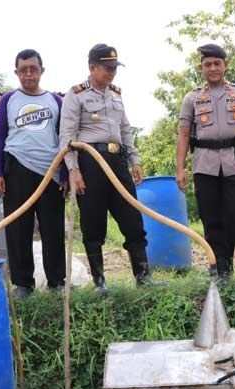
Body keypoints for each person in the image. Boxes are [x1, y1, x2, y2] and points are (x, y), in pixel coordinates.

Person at [59, 43, 154, 293]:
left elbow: (125, 130)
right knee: (93, 222)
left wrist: (134, 160)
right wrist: (73, 170)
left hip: (117, 162)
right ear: (92, 67)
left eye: (114, 67)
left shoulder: (116, 94)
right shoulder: (76, 94)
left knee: (132, 218)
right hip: (90, 163)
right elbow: (67, 136)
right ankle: (99, 281)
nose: (112, 72)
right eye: (107, 67)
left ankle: (143, 276)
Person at [176, 44, 235, 279]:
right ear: (201, 68)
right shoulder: (192, 98)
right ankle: (221, 269)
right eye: (208, 64)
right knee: (212, 219)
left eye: (217, 63)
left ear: (225, 65)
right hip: (204, 166)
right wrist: (180, 168)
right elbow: (184, 134)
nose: (213, 68)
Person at [0, 49, 66, 298]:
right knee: (18, 228)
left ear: (42, 71)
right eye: (23, 70)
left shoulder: (56, 101)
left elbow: (65, 139)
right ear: (16, 72)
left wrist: (65, 174)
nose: (29, 74)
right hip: (17, 168)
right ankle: (23, 283)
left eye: (33, 69)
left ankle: (56, 282)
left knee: (52, 228)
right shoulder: (8, 100)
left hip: (50, 172)